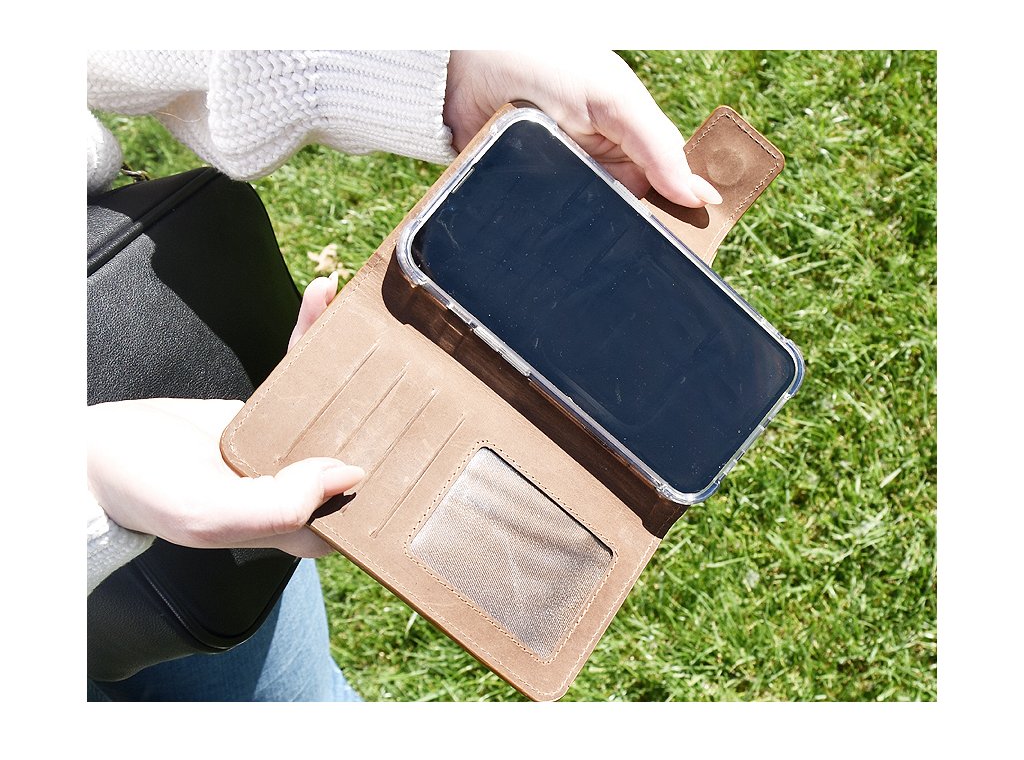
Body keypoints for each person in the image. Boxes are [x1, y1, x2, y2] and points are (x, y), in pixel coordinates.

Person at [86, 50, 722, 701]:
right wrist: (84, 482)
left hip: (188, 442)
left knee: (298, 695)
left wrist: (452, 74)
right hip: (125, 503)